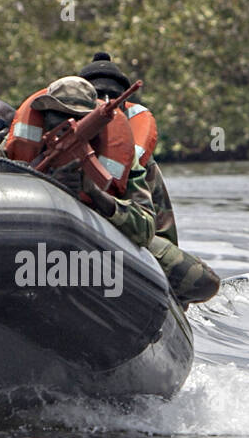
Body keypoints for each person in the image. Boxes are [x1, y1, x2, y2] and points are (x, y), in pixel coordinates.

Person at [79, 52, 221, 305]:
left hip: (121, 238)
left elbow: (157, 231)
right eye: (99, 95)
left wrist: (99, 196)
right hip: (62, 233)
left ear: (125, 106)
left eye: (116, 98)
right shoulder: (48, 137)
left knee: (201, 280)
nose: (107, 103)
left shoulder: (134, 158)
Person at [0, 75, 155, 249]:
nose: (68, 124)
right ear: (45, 116)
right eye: (58, 114)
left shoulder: (121, 155)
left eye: (78, 117)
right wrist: (47, 186)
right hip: (27, 240)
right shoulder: (12, 150)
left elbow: (145, 230)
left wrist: (94, 192)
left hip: (94, 247)